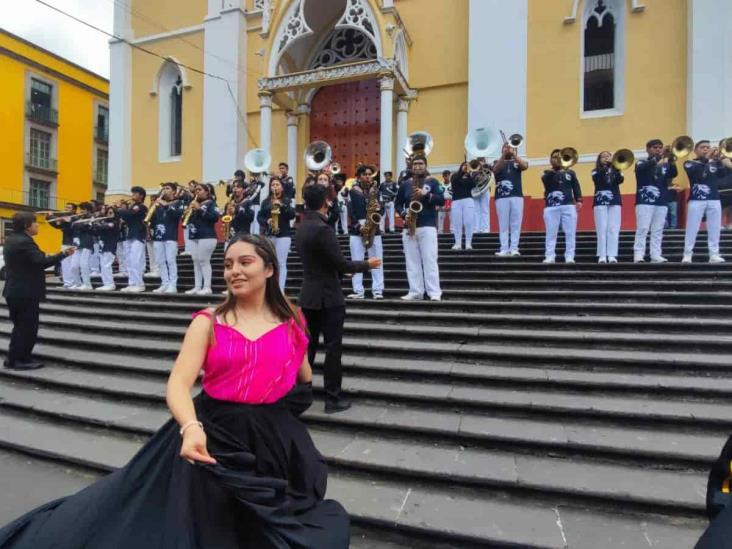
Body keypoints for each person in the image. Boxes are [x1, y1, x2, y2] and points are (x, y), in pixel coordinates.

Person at [0, 234, 350, 547]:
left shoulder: (292, 321)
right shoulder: (208, 321)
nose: (234, 271)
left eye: (246, 262)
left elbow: (301, 375)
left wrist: (279, 410)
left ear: (269, 269)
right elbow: (179, 383)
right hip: (214, 436)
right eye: (228, 264)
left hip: (271, 442)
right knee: (211, 526)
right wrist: (190, 427)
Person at [296, 184, 380, 413]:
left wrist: (338, 269)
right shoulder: (323, 229)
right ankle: (333, 399)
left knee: (308, 349)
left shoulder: (302, 227)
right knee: (333, 350)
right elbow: (341, 264)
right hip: (328, 297)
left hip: (308, 295)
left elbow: (321, 261)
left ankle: (299, 396)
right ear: (324, 201)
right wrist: (367, 265)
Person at [2, 212, 75, 370]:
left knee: (19, 327)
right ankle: (22, 360)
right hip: (25, 292)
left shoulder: (12, 239)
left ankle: (13, 358)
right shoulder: (25, 242)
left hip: (14, 291)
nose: (37, 225)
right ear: (26, 226)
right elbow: (41, 262)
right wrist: (63, 254)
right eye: (35, 223)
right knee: (27, 328)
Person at [394, 154, 445, 300]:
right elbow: (397, 203)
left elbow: (441, 200)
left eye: (420, 163)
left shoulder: (433, 182)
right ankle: (415, 291)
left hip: (428, 226)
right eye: (415, 164)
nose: (417, 166)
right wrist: (403, 214)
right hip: (409, 226)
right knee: (411, 261)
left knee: (430, 260)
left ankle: (434, 293)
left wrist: (426, 195)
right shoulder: (405, 184)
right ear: (411, 166)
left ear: (426, 165)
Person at [682, 140, 732, 263]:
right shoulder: (689, 163)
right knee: (692, 227)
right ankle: (687, 254)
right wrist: (709, 160)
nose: (706, 149)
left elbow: (722, 174)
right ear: (696, 150)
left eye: (708, 147)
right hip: (697, 200)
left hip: (714, 199)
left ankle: (714, 254)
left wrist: (721, 160)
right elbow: (700, 176)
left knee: (715, 228)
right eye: (703, 147)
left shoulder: (714, 163)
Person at [633, 139, 678, 263]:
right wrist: (658, 158)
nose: (658, 149)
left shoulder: (664, 165)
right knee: (643, 228)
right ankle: (638, 254)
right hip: (644, 201)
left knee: (658, 230)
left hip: (661, 201)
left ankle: (656, 254)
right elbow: (644, 168)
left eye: (660, 147)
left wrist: (671, 160)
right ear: (647, 149)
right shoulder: (641, 163)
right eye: (655, 147)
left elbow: (673, 173)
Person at [347, 165, 385, 300]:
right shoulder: (353, 191)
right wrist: (358, 226)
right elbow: (350, 212)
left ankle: (378, 290)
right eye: (364, 174)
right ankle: (358, 291)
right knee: (357, 260)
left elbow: (382, 211)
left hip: (374, 227)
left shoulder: (376, 191)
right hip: (358, 228)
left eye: (369, 174)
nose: (368, 176)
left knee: (377, 259)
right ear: (359, 176)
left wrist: (379, 208)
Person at [541, 149, 583, 264]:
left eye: (559, 157)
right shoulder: (546, 173)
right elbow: (546, 181)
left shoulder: (571, 173)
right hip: (551, 207)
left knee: (570, 232)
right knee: (551, 233)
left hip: (568, 205)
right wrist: (555, 170)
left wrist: (579, 199)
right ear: (550, 159)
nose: (557, 159)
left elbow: (576, 186)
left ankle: (569, 256)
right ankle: (550, 256)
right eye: (554, 157)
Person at [258, 176, 295, 291]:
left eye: (277, 185)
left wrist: (282, 205)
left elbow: (292, 215)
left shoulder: (287, 201)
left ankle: (280, 289)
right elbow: (259, 217)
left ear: (282, 188)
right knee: (268, 262)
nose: (275, 187)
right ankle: (269, 289)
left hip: (283, 235)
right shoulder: (265, 202)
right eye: (273, 185)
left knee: (281, 262)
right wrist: (267, 221)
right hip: (269, 234)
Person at [493, 142, 528, 257]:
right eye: (505, 147)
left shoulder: (516, 162)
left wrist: (513, 154)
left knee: (516, 224)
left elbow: (525, 166)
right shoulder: (497, 162)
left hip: (517, 196)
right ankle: (503, 248)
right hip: (501, 197)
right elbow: (495, 170)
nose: (507, 148)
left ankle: (514, 248)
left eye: (509, 147)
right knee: (503, 224)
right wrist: (504, 155)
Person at [150, 182, 185, 293]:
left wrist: (165, 205)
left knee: (170, 261)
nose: (164, 190)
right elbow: (153, 221)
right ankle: (164, 283)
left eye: (167, 188)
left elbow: (177, 215)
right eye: (164, 188)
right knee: (160, 261)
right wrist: (153, 209)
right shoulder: (158, 204)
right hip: (158, 237)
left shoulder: (179, 202)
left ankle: (172, 285)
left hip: (170, 236)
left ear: (174, 191)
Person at [185, 183, 220, 295]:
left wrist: (199, 209)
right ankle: (197, 286)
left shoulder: (211, 203)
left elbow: (214, 218)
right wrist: (187, 213)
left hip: (207, 236)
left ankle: (207, 287)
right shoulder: (193, 204)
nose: (197, 192)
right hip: (194, 235)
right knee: (196, 261)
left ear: (207, 191)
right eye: (196, 190)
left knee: (204, 260)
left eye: (200, 189)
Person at [592, 151, 624, 263]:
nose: (606, 158)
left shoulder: (616, 170)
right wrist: (606, 167)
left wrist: (615, 167)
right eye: (603, 156)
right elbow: (597, 179)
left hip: (615, 201)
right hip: (600, 202)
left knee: (613, 229)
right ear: (599, 159)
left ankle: (612, 255)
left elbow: (620, 180)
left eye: (608, 156)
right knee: (601, 229)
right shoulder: (595, 171)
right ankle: (602, 255)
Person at [117, 186, 148, 292]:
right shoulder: (132, 207)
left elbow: (130, 214)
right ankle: (132, 283)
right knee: (129, 261)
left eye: (135, 193)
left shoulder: (141, 207)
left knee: (136, 260)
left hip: (138, 235)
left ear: (141, 195)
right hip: (130, 235)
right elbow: (126, 217)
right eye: (133, 193)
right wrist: (121, 210)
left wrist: (120, 209)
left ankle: (139, 284)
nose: (132, 195)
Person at [44, 203, 77, 288]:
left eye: (69, 208)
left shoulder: (75, 218)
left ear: (74, 210)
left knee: (73, 265)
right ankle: (67, 283)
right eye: (65, 207)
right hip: (65, 242)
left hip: (74, 243)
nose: (66, 209)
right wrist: (48, 217)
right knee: (64, 264)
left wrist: (53, 216)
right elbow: (57, 225)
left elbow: (71, 227)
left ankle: (74, 283)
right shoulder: (65, 218)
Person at [449, 162, 476, 250]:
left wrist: (469, 175)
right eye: (464, 165)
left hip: (468, 200)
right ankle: (458, 243)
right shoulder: (455, 176)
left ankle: (468, 243)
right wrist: (462, 173)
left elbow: (473, 185)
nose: (466, 167)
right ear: (461, 166)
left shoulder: (470, 176)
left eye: (467, 166)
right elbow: (454, 183)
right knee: (457, 223)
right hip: (456, 201)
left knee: (468, 222)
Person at [69, 202, 95, 290]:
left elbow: (88, 227)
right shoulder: (77, 218)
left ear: (88, 210)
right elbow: (72, 227)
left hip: (87, 242)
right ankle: (78, 283)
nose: (82, 211)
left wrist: (77, 223)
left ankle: (87, 284)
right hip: (77, 243)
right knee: (74, 265)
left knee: (84, 264)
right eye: (81, 209)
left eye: (84, 209)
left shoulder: (92, 218)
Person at [93, 205, 120, 291]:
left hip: (110, 246)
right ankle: (106, 283)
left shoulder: (115, 222)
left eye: (111, 212)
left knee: (106, 265)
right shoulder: (104, 221)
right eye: (107, 212)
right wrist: (93, 224)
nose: (108, 214)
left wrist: (97, 223)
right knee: (103, 265)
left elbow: (104, 226)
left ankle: (110, 284)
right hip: (103, 246)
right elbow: (96, 231)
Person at [472, 157, 492, 233]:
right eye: (479, 161)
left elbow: (491, 173)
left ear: (484, 161)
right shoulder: (474, 168)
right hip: (475, 190)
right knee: (475, 210)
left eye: (482, 161)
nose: (480, 163)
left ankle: (485, 228)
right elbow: (472, 178)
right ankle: (476, 228)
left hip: (485, 189)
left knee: (485, 209)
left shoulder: (487, 167)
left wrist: (484, 166)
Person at [437, 169, 452, 235]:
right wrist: (437, 205)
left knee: (452, 218)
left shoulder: (453, 184)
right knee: (440, 218)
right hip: (442, 202)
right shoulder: (440, 185)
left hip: (451, 202)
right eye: (445, 176)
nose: (447, 177)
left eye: (448, 176)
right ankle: (440, 232)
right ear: (443, 176)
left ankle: (452, 232)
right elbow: (438, 194)